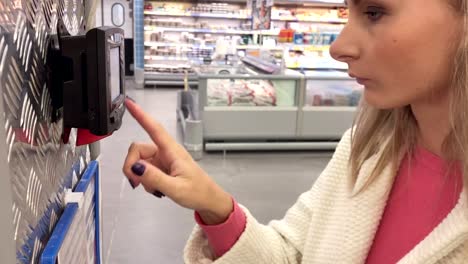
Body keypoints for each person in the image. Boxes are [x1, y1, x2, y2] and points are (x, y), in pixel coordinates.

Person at [122, 0, 468, 263]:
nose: (338, 47)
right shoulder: (363, 151)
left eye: (374, 12)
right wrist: (214, 205)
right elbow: (292, 253)